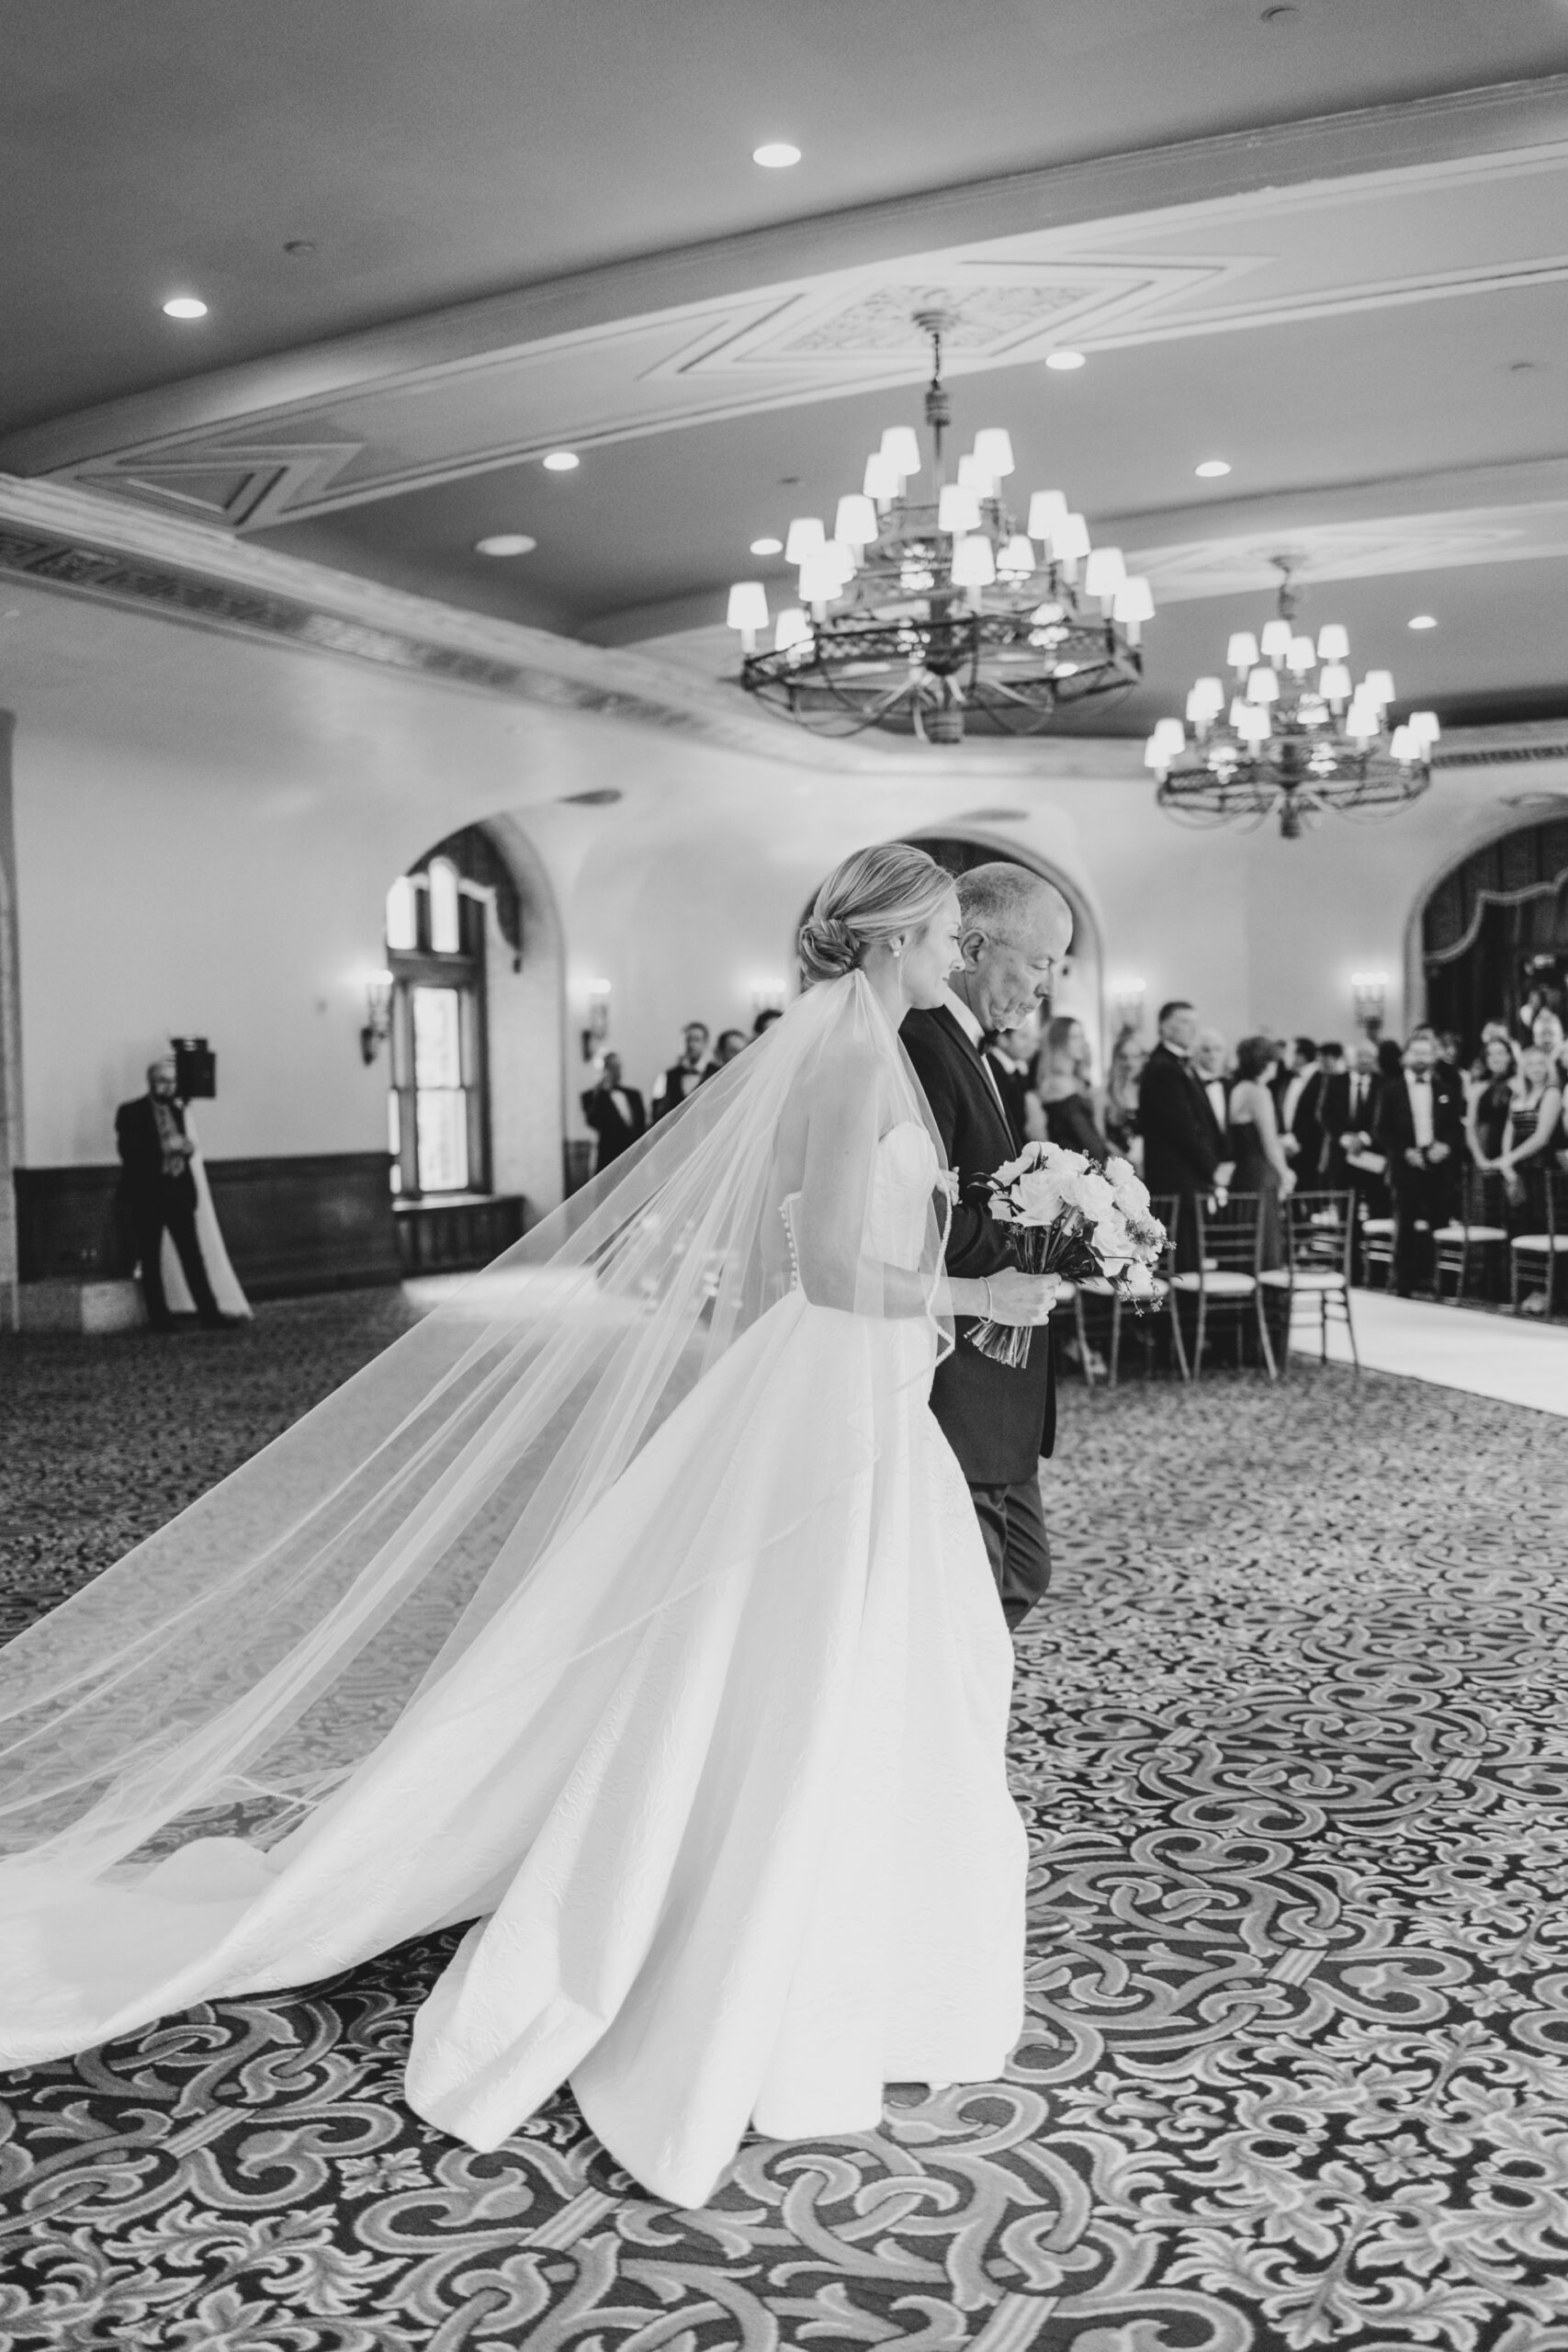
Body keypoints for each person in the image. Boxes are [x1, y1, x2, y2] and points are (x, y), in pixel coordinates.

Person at [0, 842, 1057, 2212]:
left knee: (823, 1648)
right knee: (813, 1653)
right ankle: (756, 1935)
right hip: (843, 1378)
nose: (943, 956)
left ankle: (794, 1895)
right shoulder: (858, 1063)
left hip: (837, 1388)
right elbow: (840, 1267)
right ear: (884, 944)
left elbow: (809, 1258)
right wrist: (979, 1303)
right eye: (929, 937)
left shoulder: (850, 1050)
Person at [903, 865, 1069, 1636]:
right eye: (1039, 962)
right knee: (975, 1594)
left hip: (991, 1378)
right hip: (955, 1373)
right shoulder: (921, 1046)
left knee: (1014, 1574)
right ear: (969, 945)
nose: (1046, 988)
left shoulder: (972, 1049)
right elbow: (917, 1220)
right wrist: (1053, 1235)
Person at [114, 1058, 235, 1331]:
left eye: (173, 1082)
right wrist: (165, 1147)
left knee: (193, 1256)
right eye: (163, 1081)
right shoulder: (130, 1112)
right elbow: (129, 1152)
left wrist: (187, 1148)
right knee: (150, 1257)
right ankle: (160, 1318)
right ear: (151, 1081)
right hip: (147, 1194)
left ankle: (210, 1313)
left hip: (178, 1191)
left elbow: (183, 1146)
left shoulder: (179, 1112)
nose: (169, 1087)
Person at [1373, 1025, 1466, 1296]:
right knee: (1405, 1224)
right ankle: (1403, 1283)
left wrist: (1445, 1147)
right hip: (1405, 1165)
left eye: (1427, 1053)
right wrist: (1405, 1152)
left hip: (1438, 1164)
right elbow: (1381, 1129)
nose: (1422, 1059)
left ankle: (1443, 1283)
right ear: (1407, 1056)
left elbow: (1455, 1126)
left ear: (1434, 1057)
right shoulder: (1391, 1089)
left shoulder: (1445, 1088)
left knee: (1440, 1222)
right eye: (1417, 1053)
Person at [1138, 1000, 1231, 1267]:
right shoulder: (1163, 1068)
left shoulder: (1177, 1064)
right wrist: (1211, 1168)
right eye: (1184, 1022)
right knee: (1182, 1254)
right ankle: (1185, 1307)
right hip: (1176, 1176)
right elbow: (1184, 1127)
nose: (1192, 1029)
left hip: (1187, 1175)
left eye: (1194, 1022)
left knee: (1189, 1250)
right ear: (1164, 1027)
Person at [1497, 1045, 1562, 1306]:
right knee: (1518, 1228)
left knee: (1540, 1227)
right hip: (1517, 1170)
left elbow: (1541, 1137)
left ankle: (1544, 1292)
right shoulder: (1519, 1094)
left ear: (1548, 1067)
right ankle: (1520, 1290)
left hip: (1541, 1171)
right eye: (1531, 1063)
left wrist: (1511, 1158)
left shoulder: (1552, 1093)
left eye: (1540, 1063)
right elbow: (1508, 1131)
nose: (1536, 1068)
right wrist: (1506, 1162)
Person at [1227, 1035, 1295, 1270]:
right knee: (1263, 1240)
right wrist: (1285, 1173)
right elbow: (1269, 1142)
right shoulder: (1258, 1091)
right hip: (1261, 1175)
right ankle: (1265, 1300)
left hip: (1244, 1174)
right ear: (1266, 1062)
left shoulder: (1239, 1088)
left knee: (1245, 1239)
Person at [1035, 1014, 1111, 1164]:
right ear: (1058, 1041)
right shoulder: (1058, 1084)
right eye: (1074, 1037)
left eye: (1082, 1036)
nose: (1082, 1043)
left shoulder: (1076, 1080)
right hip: (1076, 1167)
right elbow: (1087, 1141)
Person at [581, 1050, 647, 1172]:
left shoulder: (634, 1095)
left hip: (634, 1160)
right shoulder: (590, 1096)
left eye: (618, 1066)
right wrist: (602, 1091)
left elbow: (641, 1127)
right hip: (607, 1161)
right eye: (611, 1067)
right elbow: (593, 1121)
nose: (616, 1071)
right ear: (603, 1070)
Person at [1467, 1034, 1517, 1171]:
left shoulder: (1518, 1085)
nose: (1496, 1058)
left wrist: (1508, 1159)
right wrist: (1479, 1159)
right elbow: (1470, 1127)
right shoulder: (1477, 1088)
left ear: (1509, 1057)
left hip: (1514, 1152)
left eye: (1500, 1053)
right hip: (1484, 1152)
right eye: (1490, 1054)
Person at [983, 1018, 1037, 1145]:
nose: (1031, 1045)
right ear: (1003, 1039)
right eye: (1024, 1037)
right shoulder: (992, 1069)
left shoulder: (1016, 1072)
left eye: (1033, 1039)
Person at [649, 1022, 716, 1119]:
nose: (691, 1044)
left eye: (696, 1040)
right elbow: (658, 1110)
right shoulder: (668, 1075)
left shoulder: (717, 1073)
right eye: (688, 1040)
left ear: (706, 1043)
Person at [1103, 1026, 1145, 1159]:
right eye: (1123, 1057)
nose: (1130, 1063)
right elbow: (1100, 1137)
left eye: (1135, 1057)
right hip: (1116, 1166)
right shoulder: (1104, 1094)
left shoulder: (1147, 1092)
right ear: (1115, 1059)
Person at [1193, 1027, 1230, 1144]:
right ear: (1197, 1053)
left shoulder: (1232, 1085)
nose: (1212, 1055)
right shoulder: (1191, 1086)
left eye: (1218, 1049)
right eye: (1206, 1050)